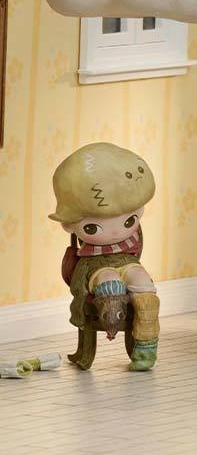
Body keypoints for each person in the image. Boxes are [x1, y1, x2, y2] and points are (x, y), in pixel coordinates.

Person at [50, 143, 160, 370]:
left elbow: (134, 263)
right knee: (109, 282)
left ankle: (146, 348)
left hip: (126, 260)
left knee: (143, 284)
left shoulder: (129, 242)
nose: (115, 232)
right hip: (95, 265)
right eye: (92, 227)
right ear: (68, 224)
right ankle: (111, 319)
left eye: (129, 221)